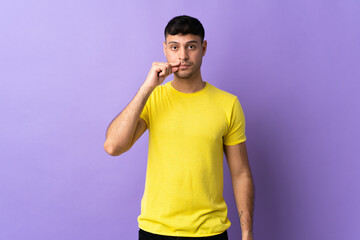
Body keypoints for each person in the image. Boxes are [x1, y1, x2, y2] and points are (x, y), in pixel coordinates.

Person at [104, 15, 255, 240]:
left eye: (191, 47)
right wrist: (147, 88)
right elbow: (113, 146)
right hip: (156, 230)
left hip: (210, 232)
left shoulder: (228, 104)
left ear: (203, 48)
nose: (182, 56)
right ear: (165, 50)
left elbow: (241, 173)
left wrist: (247, 233)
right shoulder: (153, 99)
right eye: (175, 47)